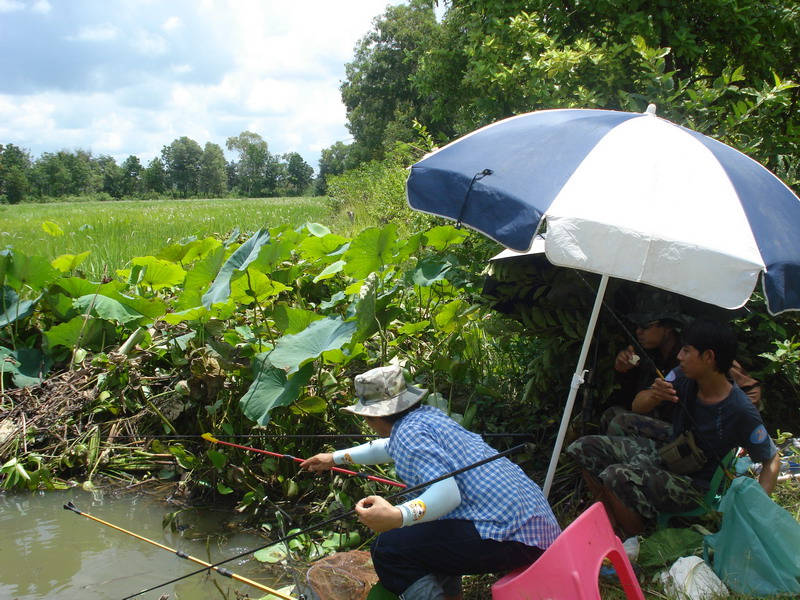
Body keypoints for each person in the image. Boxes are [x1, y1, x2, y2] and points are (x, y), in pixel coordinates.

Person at [300, 364, 561, 600]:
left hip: (514, 536)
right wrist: (334, 458)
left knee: (389, 549)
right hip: (534, 525)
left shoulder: (409, 435)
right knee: (427, 530)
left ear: (374, 417)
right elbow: (386, 447)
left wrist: (396, 515)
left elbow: (448, 494)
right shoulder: (423, 418)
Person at [567, 317, 781, 537]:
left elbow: (771, 459)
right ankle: (610, 525)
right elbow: (637, 406)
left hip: (695, 484)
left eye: (686, 351)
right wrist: (654, 395)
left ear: (708, 357)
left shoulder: (740, 410)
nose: (679, 356)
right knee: (584, 447)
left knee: (615, 476)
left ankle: (637, 542)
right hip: (668, 455)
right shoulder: (681, 376)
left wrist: (756, 510)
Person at [603, 289, 760, 440]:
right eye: (636, 325)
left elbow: (751, 391)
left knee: (622, 423)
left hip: (688, 435)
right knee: (611, 414)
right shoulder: (647, 355)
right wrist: (624, 371)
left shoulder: (696, 352)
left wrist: (717, 427)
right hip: (659, 423)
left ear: (668, 326)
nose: (639, 331)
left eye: (645, 325)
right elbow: (631, 403)